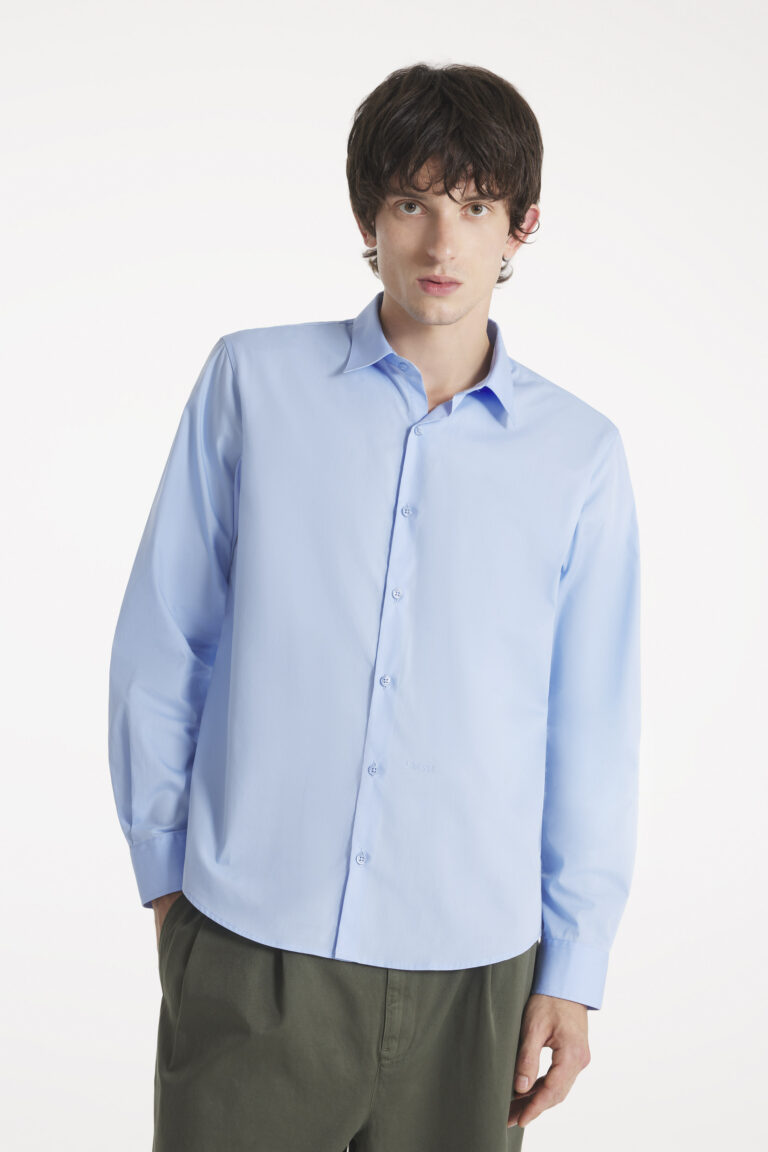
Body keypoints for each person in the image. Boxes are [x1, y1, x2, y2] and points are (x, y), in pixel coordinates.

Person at [108, 62, 641, 1152]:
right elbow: (165, 642)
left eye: (476, 207)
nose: (442, 244)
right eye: (411, 203)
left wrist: (574, 967)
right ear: (367, 218)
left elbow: (592, 731)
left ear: (523, 226)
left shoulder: (580, 456)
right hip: (252, 945)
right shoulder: (252, 384)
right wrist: (170, 888)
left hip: (477, 977)